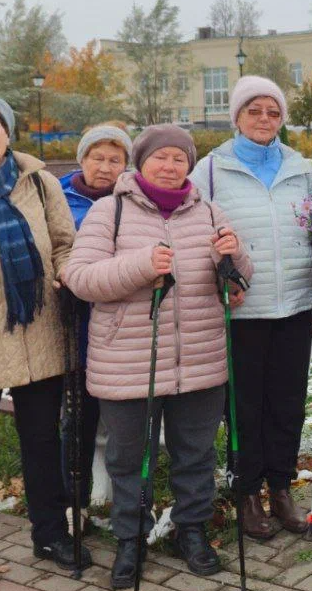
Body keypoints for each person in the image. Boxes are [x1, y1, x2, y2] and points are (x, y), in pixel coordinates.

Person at [63, 124, 252, 589]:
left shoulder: (209, 212)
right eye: (160, 158)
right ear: (141, 162)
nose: (170, 167)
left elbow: (238, 289)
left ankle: (192, 530)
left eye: (179, 159)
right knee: (128, 457)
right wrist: (142, 265)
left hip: (200, 360)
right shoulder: (112, 211)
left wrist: (236, 257)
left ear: (190, 165)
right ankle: (131, 537)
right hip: (129, 363)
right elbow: (81, 277)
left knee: (196, 455)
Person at [189, 75, 312, 539]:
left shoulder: (302, 168)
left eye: (273, 111)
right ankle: (246, 493)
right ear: (237, 117)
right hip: (242, 309)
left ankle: (281, 488)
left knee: (287, 403)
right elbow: (191, 232)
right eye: (254, 110)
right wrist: (218, 277)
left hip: (295, 304)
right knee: (244, 406)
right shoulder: (209, 170)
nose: (264, 119)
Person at [0, 98, 91, 570]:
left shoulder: (38, 182)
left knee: (39, 437)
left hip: (35, 330)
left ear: (8, 132)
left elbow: (64, 242)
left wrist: (64, 274)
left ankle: (49, 533)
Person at [59, 123, 133, 531]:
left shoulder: (131, 201)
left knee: (126, 423)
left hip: (120, 331)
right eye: (98, 158)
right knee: (77, 420)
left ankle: (133, 503)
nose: (105, 168)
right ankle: (75, 503)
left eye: (115, 160)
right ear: (82, 159)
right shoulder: (59, 196)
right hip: (73, 325)